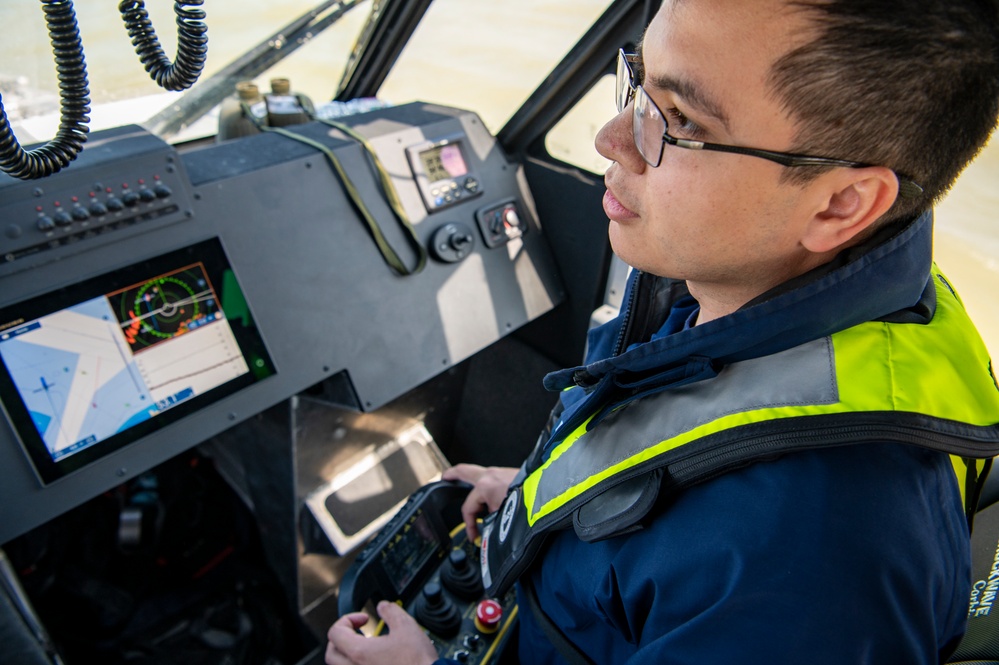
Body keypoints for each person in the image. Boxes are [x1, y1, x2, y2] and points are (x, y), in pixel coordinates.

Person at [325, 0, 999, 663]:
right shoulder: (757, 291)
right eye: (639, 83)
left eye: (678, 120)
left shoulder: (812, 571)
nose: (611, 138)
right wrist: (543, 504)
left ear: (838, 204)